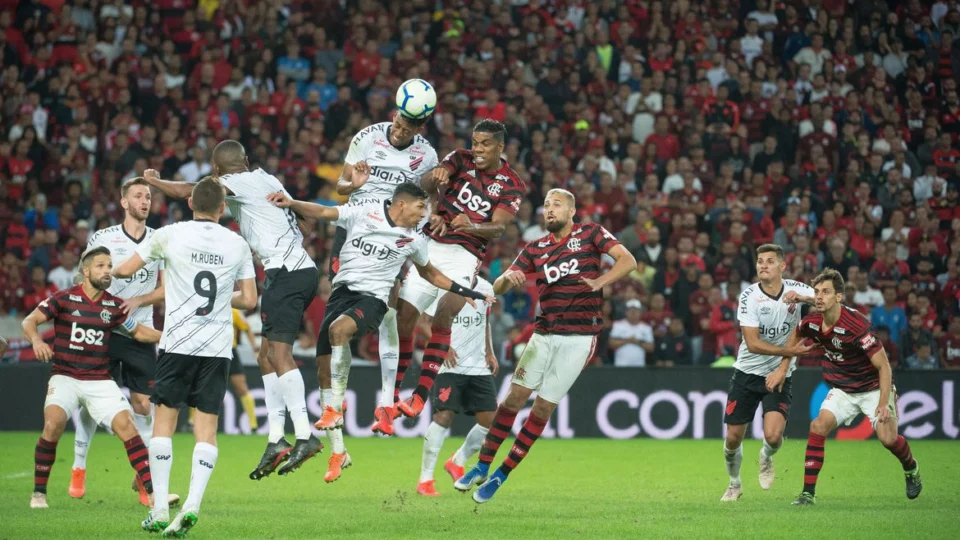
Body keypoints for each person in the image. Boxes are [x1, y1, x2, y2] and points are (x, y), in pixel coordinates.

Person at [267, 182, 493, 483]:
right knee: (325, 364)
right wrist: (292, 202)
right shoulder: (364, 213)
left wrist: (468, 291)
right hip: (341, 294)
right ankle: (338, 449)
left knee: (339, 332)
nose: (422, 215)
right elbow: (323, 211)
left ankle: (337, 407)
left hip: (372, 299)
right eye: (418, 208)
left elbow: (432, 275)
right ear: (401, 204)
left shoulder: (414, 240)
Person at [143, 139, 319, 481]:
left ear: (217, 169)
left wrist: (154, 181)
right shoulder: (267, 178)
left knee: (280, 356)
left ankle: (304, 434)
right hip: (295, 269)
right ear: (247, 160)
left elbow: (191, 193)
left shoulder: (233, 184)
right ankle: (275, 438)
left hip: (286, 271)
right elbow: (303, 221)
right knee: (267, 356)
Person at [454, 189, 637, 504]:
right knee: (512, 400)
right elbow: (499, 284)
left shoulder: (591, 233)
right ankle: (482, 465)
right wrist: (504, 281)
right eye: (546, 206)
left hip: (579, 339)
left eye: (557, 205)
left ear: (572, 209)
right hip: (544, 334)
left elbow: (628, 260)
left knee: (541, 408)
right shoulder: (534, 248)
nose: (549, 210)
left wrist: (600, 282)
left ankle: (501, 474)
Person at [115, 177, 259, 535]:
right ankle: (192, 504)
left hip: (177, 344)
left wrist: (108, 272)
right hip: (216, 349)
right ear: (223, 209)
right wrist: (221, 295)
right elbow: (250, 300)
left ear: (191, 203)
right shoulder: (238, 243)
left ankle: (161, 508)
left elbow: (126, 270)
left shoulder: (170, 234)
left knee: (163, 425)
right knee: (206, 430)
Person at [393, 119, 525, 424]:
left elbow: (500, 227)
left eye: (485, 144)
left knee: (445, 310)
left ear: (500, 147)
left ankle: (418, 397)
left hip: (466, 255)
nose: (477, 149)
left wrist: (473, 225)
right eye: (476, 142)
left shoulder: (511, 183)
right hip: (431, 246)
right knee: (405, 317)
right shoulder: (459, 158)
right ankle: (395, 392)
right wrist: (434, 176)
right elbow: (425, 188)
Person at [21, 246, 162, 509]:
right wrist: (37, 340)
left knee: (128, 427)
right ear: (85, 271)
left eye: (109, 266)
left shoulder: (113, 306)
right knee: (52, 425)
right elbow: (29, 321)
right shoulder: (63, 298)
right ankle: (39, 493)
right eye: (100, 266)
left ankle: (153, 494)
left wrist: (169, 337)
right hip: (65, 377)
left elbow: (139, 333)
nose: (107, 271)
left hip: (99, 380)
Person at [332, 108, 438, 437]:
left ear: (421, 127)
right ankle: (336, 400)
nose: (399, 132)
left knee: (389, 306)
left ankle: (386, 401)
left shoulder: (427, 155)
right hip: (354, 226)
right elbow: (340, 185)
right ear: (395, 115)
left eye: (408, 129)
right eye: (398, 124)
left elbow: (426, 200)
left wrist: (422, 226)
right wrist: (354, 184)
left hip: (391, 232)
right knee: (338, 308)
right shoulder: (366, 137)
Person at [70, 177, 168, 506]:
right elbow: (87, 279)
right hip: (104, 331)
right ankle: (79, 465)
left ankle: (144, 480)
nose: (145, 200)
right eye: (138, 195)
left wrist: (140, 300)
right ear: (124, 202)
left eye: (149, 196)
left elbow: (165, 288)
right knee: (88, 401)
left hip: (139, 333)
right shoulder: (104, 239)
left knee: (143, 404)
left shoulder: (159, 240)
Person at [789, 268, 922, 505]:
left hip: (873, 388)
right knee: (818, 426)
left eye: (826, 292)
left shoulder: (857, 325)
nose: (819, 297)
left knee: (888, 439)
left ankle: (911, 468)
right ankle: (807, 493)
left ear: (839, 297)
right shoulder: (812, 322)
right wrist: (784, 364)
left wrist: (882, 404)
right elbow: (797, 333)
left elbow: (884, 367)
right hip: (842, 389)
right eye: (816, 292)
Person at [721, 244, 816, 502]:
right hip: (747, 372)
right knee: (733, 438)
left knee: (773, 437)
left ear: (782, 266)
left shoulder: (799, 289)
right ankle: (734, 483)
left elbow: (827, 300)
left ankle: (765, 457)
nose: (763, 265)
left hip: (780, 372)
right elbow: (752, 343)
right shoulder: (748, 297)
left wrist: (804, 299)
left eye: (770, 261)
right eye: (760, 261)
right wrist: (790, 352)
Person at [416, 277, 499, 497]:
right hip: (449, 364)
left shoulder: (485, 287)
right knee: (444, 416)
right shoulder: (443, 284)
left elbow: (484, 322)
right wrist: (443, 347)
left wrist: (489, 352)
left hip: (478, 365)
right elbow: (423, 322)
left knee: (491, 422)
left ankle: (457, 461)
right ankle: (425, 479)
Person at [187, 308, 259, 431]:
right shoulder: (206, 309)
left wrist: (255, 348)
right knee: (201, 385)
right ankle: (191, 422)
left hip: (230, 351)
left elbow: (246, 328)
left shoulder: (234, 311)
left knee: (241, 387)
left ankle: (253, 425)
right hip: (210, 351)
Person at [608, 299, 655, 366]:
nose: (633, 313)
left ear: (640, 312)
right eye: (631, 310)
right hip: (621, 365)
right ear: (626, 312)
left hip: (639, 366)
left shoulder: (646, 328)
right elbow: (611, 344)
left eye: (636, 311)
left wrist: (637, 342)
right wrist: (627, 340)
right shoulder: (618, 325)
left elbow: (651, 348)